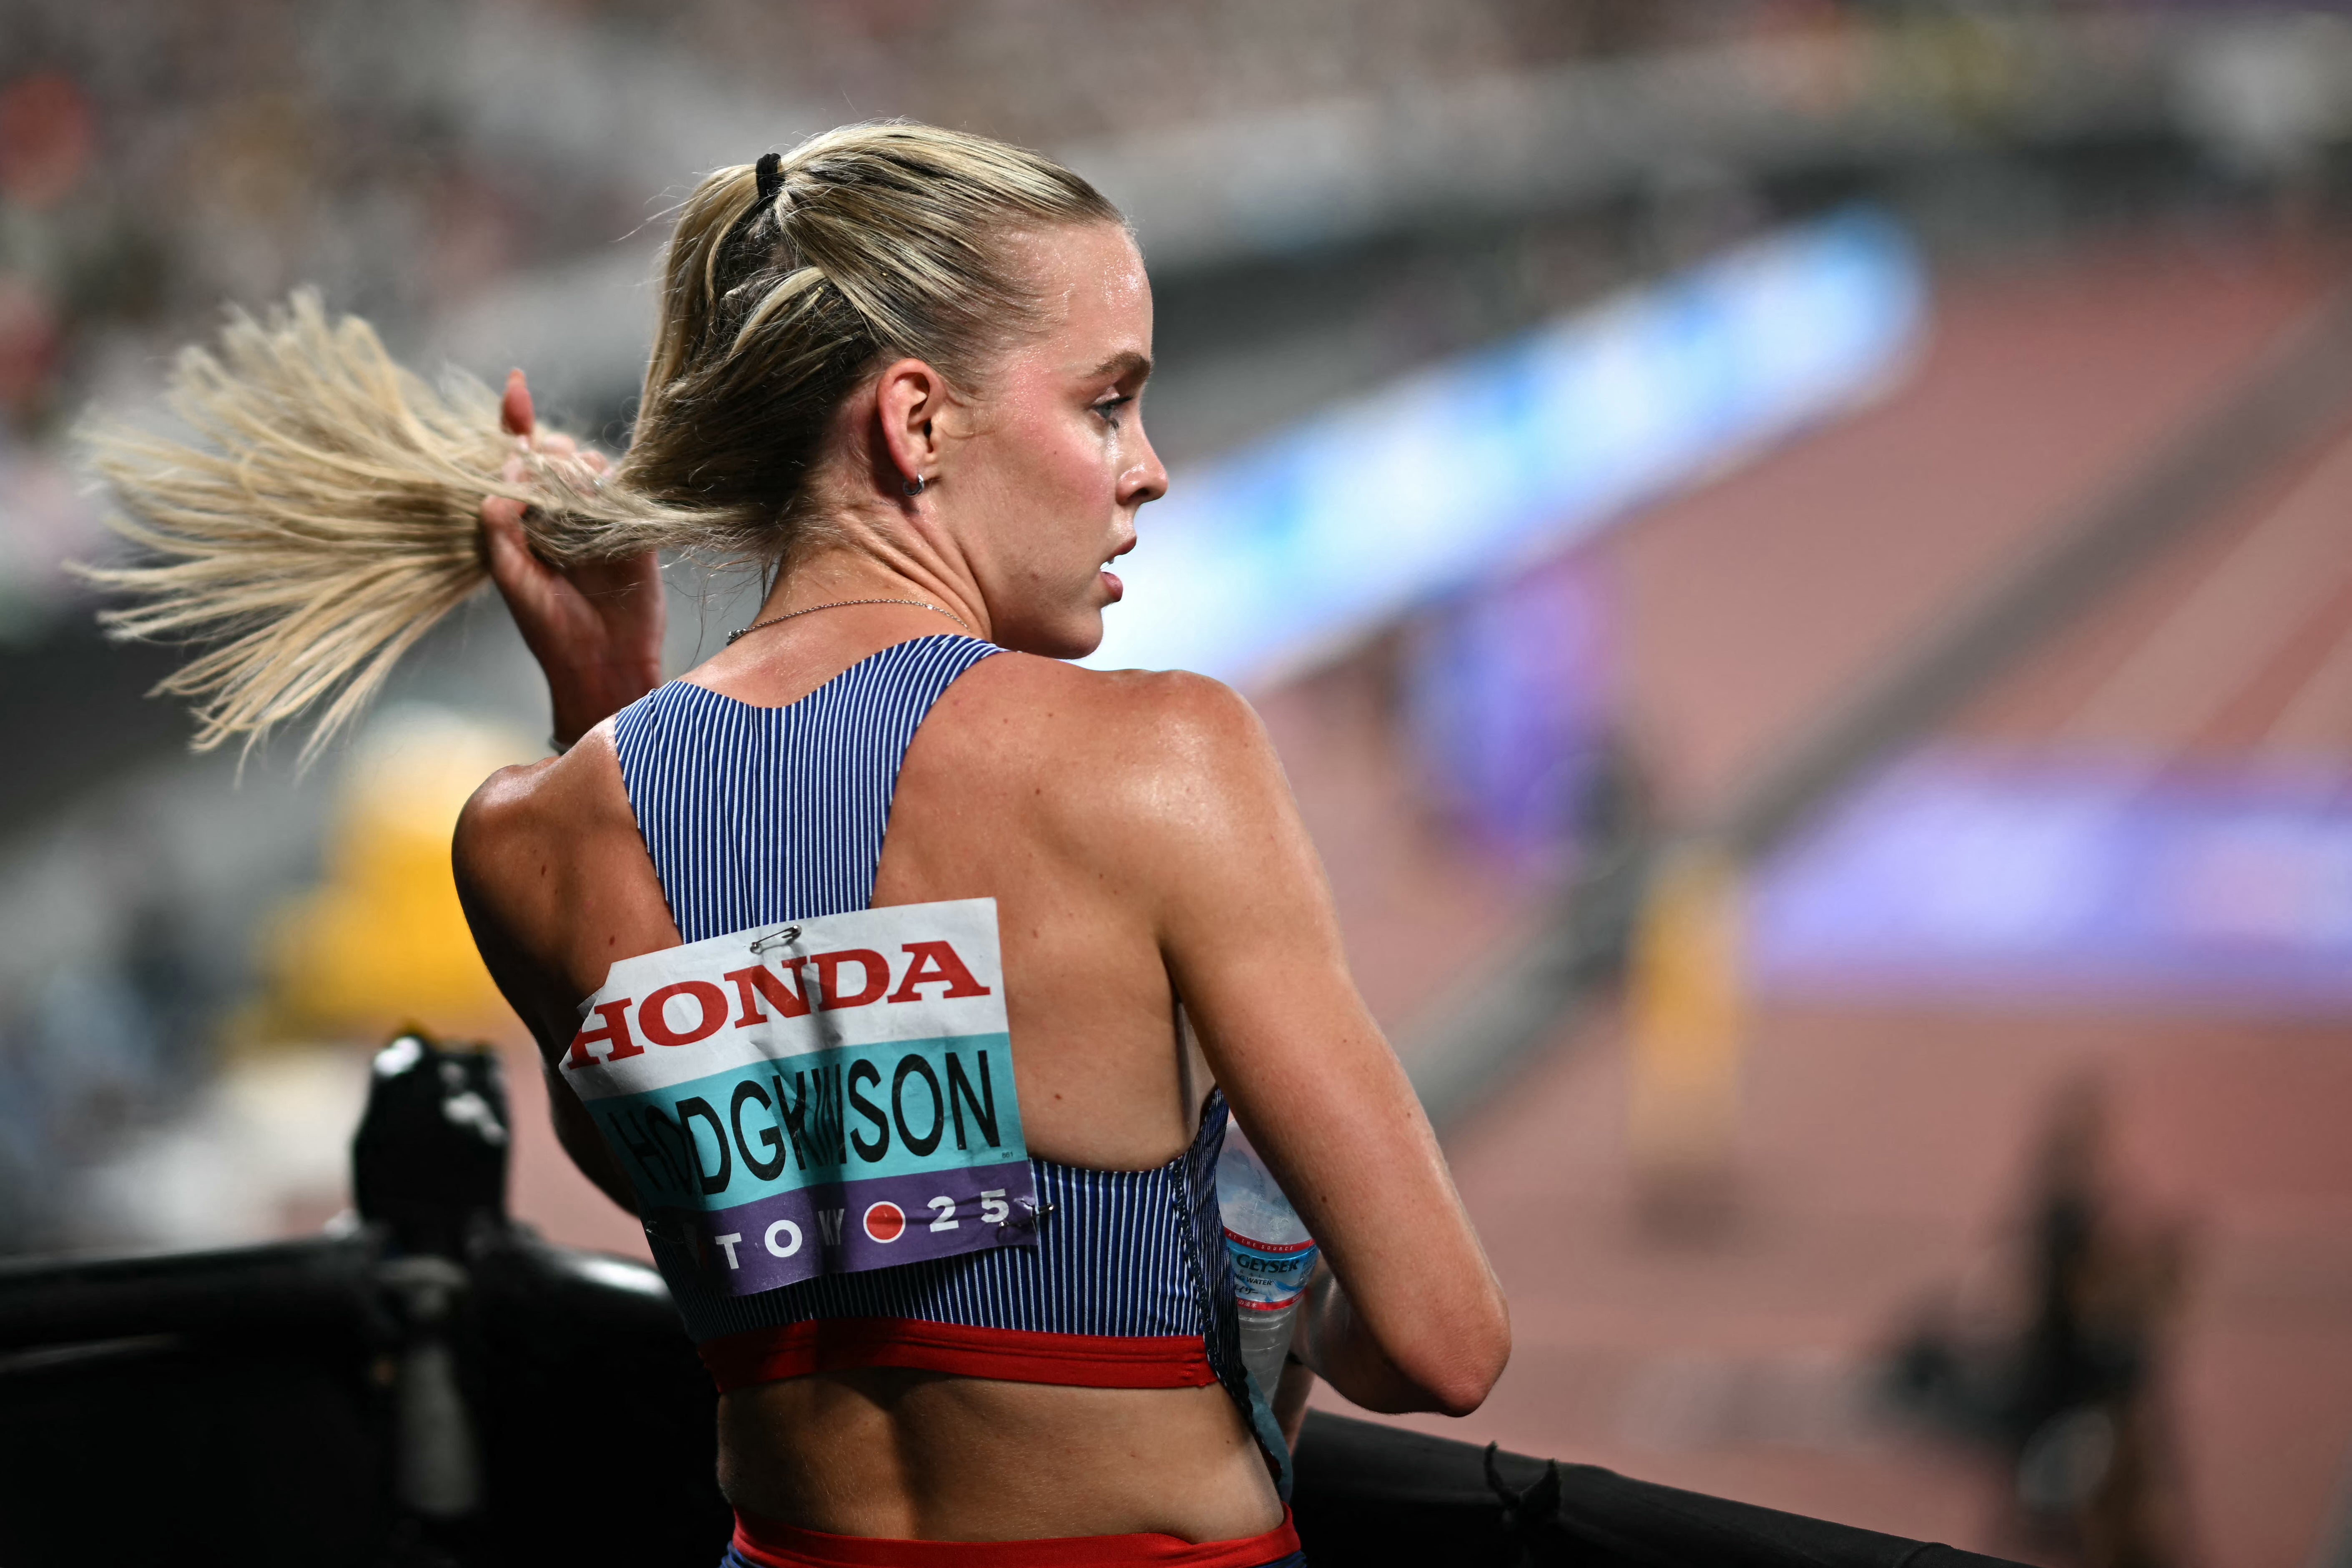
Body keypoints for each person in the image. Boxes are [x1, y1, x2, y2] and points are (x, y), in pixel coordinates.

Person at [84, 123, 1510, 1566]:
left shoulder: (535, 837)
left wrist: (603, 701)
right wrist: (1268, 1287)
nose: (1146, 469)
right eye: (1107, 401)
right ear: (916, 421)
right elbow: (1441, 1341)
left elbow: (686, 1167)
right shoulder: (1160, 758)